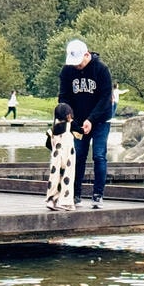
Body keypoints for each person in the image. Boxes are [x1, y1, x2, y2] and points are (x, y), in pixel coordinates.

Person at [58, 39, 113, 208]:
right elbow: (64, 96)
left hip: (100, 120)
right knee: (78, 156)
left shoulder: (101, 70)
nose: (77, 66)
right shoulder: (67, 71)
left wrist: (92, 119)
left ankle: (98, 195)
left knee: (98, 155)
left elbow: (105, 98)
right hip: (77, 122)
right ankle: (75, 195)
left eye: (79, 63)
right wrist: (69, 118)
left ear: (87, 55)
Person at [45, 102, 78, 211]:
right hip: (68, 157)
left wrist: (56, 149)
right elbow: (81, 132)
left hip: (56, 158)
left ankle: (51, 200)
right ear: (68, 115)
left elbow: (48, 144)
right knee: (67, 177)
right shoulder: (71, 125)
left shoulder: (53, 129)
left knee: (54, 178)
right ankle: (65, 202)